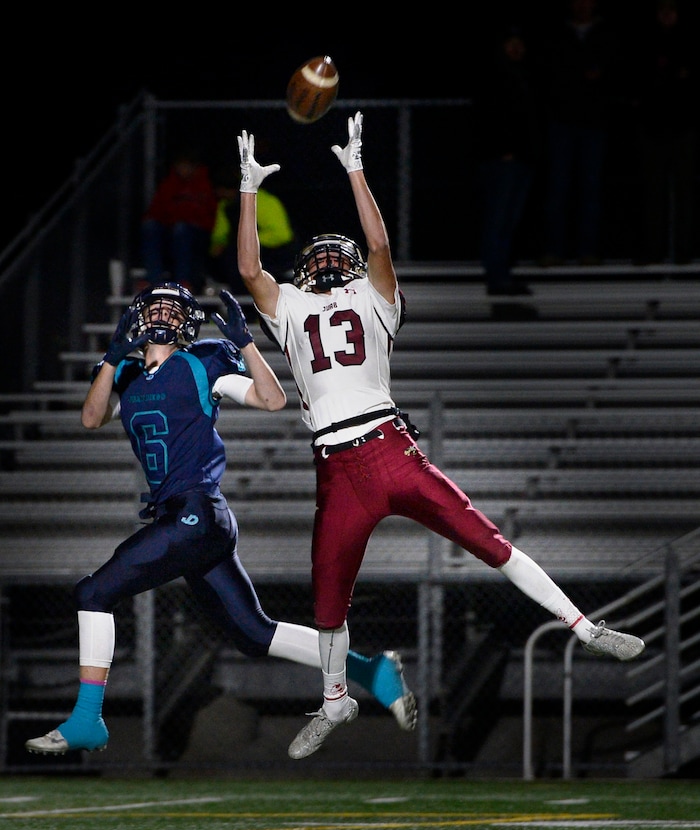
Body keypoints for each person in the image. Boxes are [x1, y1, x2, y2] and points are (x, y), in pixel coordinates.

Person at [235, 112, 646, 761]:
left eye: (328, 256)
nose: (319, 263)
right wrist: (249, 189)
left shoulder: (375, 297)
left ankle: (584, 626)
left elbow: (377, 247)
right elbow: (250, 267)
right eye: (313, 258)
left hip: (385, 447)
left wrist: (354, 170)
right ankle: (337, 699)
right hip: (338, 467)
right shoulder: (292, 307)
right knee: (326, 602)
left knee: (489, 541)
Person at [24, 282, 416, 757]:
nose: (164, 317)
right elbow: (91, 417)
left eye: (174, 309)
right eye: (156, 308)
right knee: (254, 633)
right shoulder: (124, 372)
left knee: (93, 591)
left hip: (197, 512)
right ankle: (370, 670)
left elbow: (272, 400)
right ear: (137, 318)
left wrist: (248, 343)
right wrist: (110, 358)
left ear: (189, 323)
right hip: (182, 518)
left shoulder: (201, 362)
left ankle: (88, 719)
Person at [538, 0, 620, 267]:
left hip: (594, 123)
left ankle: (588, 251)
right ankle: (554, 250)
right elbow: (551, 73)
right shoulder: (558, 34)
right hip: (562, 121)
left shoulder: (605, 34)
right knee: (558, 189)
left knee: (591, 190)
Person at [472, 23, 540, 318]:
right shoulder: (494, 77)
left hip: (522, 158)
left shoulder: (525, 75)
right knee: (498, 220)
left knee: (509, 221)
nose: (517, 48)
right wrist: (504, 149)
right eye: (511, 42)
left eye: (519, 42)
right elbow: (489, 118)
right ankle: (496, 277)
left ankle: (504, 274)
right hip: (501, 159)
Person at [630, 0, 697, 266]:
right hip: (653, 126)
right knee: (653, 191)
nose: (667, 15)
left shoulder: (689, 41)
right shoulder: (646, 42)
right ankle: (653, 248)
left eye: (672, 10)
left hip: (683, 126)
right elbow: (640, 80)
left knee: (684, 192)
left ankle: (683, 249)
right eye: (662, 10)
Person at [140, 147, 218, 292]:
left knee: (181, 230)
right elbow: (157, 210)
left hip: (197, 233)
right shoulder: (170, 184)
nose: (183, 169)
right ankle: (153, 280)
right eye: (180, 165)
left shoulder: (204, 184)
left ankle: (184, 280)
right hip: (171, 229)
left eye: (186, 165)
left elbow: (206, 215)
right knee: (150, 227)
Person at [209, 165, 296, 294]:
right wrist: (218, 245)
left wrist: (247, 242)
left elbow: (282, 235)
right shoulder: (226, 205)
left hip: (274, 253)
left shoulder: (262, 201)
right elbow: (220, 235)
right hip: (240, 254)